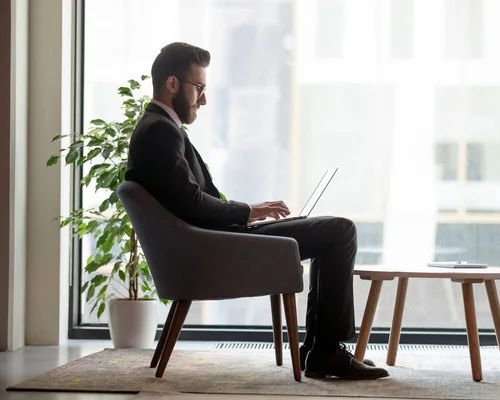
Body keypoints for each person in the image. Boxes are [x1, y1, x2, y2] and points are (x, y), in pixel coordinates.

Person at [125, 42, 389, 380]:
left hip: (214, 240)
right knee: (339, 231)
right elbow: (191, 204)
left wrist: (252, 212)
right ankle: (324, 352)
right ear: (173, 84)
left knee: (326, 232)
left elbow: (189, 202)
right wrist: (249, 211)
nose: (203, 99)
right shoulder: (160, 131)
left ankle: (320, 348)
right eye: (199, 88)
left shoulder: (158, 127)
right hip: (215, 247)